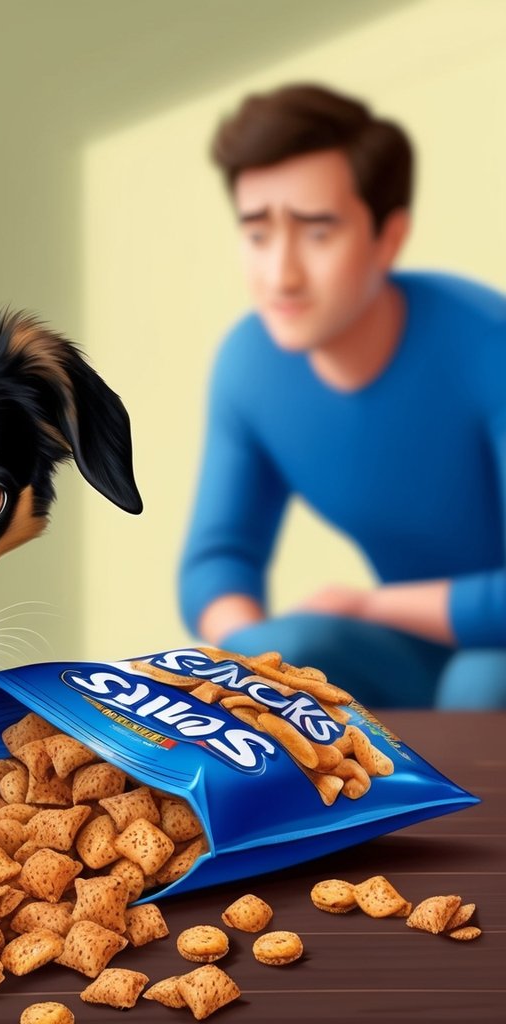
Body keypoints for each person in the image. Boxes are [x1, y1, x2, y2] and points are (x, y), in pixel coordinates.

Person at [179, 83, 506, 709]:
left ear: (388, 237)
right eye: (257, 235)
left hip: (475, 648)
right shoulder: (250, 366)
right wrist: (252, 672)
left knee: (482, 688)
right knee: (288, 647)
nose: (282, 275)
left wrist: (368, 604)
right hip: (417, 642)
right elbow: (218, 559)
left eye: (317, 233)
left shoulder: (487, 348)